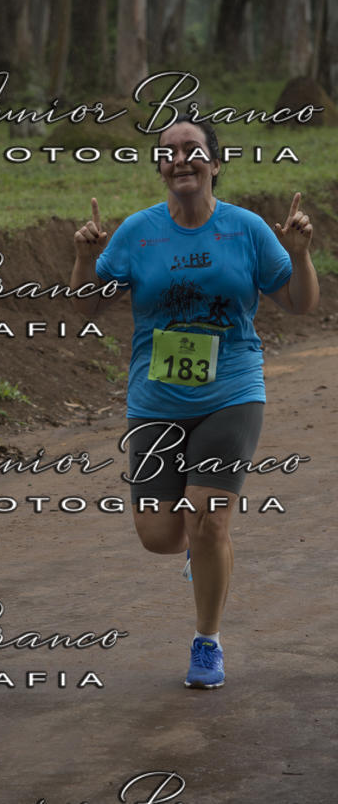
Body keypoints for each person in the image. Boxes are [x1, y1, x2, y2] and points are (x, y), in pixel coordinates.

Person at [70, 116, 319, 689]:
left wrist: (300, 254)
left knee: (208, 522)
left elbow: (300, 304)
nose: (180, 159)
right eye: (168, 153)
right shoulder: (137, 232)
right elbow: (87, 307)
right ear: (160, 167)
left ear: (215, 162)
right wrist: (85, 259)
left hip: (231, 391)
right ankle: (197, 549)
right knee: (160, 535)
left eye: (192, 150)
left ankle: (207, 641)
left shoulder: (247, 229)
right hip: (155, 398)